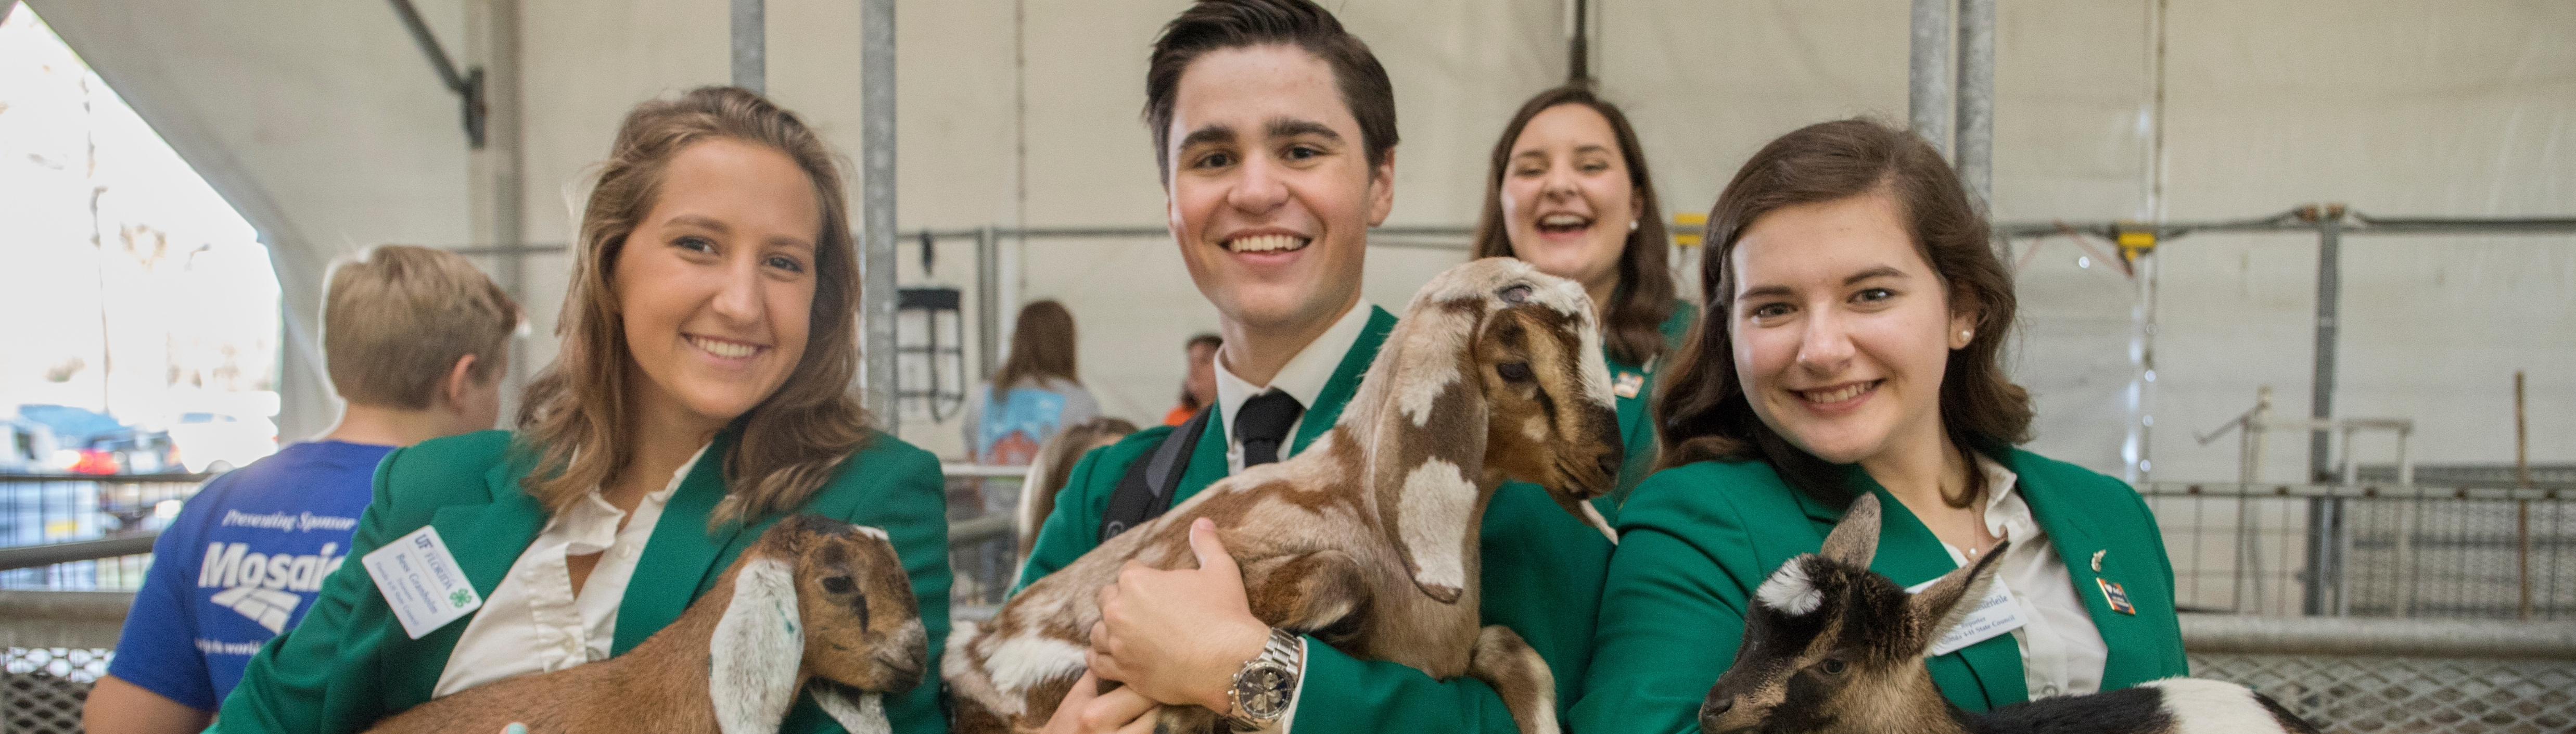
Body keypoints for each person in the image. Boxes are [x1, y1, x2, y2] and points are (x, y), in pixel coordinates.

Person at [209, 87, 953, 734]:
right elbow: (270, 717)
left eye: (783, 261)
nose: (741, 301)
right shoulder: (435, 487)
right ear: (610, 261)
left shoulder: (857, 501)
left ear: (819, 300)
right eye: (697, 244)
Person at [1019, 2, 1611, 731]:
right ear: (1170, 199)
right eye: (1212, 159)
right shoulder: (1108, 492)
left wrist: (1253, 672)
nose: (1256, 191)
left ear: (1381, 181)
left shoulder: (1497, 446)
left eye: (1301, 150)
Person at [1571, 119, 2188, 734]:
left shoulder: (2109, 514)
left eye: (1870, 295)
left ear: (1963, 309)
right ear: (1729, 333)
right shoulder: (1696, 523)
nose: (1821, 349)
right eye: (1774, 308)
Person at [86, 245, 519, 734]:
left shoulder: (217, 505)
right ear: (460, 381)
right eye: (497, 383)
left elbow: (126, 721)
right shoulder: (460, 516)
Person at [1471, 83, 1694, 507]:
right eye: (1532, 170)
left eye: (1591, 166)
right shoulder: (1454, 342)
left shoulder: (1699, 346)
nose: (1558, 185)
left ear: (1636, 205)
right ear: (1502, 202)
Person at [964, 300, 1101, 468]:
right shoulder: (1081, 401)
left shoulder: (983, 395)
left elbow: (973, 459)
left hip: (995, 494)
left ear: (1017, 339)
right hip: (1052, 494)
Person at [1162, 333, 1222, 426]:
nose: (1194, 369)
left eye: (1204, 361)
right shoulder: (1176, 417)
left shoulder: (1234, 416)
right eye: (1191, 362)